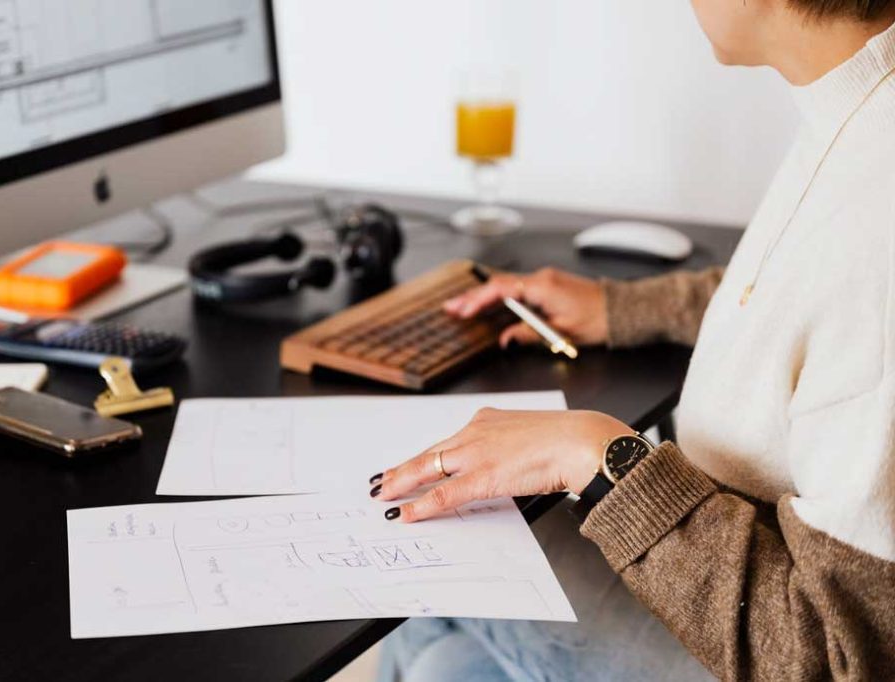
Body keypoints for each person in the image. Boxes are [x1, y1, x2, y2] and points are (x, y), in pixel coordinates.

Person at [374, 0, 895, 679]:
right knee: (443, 661)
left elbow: (838, 656)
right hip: (737, 546)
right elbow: (816, 297)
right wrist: (620, 308)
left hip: (780, 628)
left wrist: (599, 456)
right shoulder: (859, 105)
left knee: (443, 566)